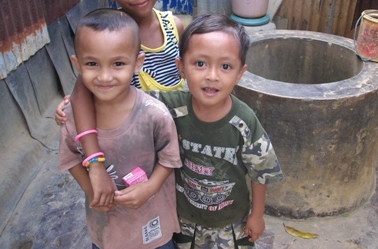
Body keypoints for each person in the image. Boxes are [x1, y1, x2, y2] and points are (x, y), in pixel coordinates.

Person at [57, 14, 284, 248]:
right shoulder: (170, 106)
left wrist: (256, 215)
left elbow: (261, 172)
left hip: (230, 224)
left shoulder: (243, 121)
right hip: (183, 221)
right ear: (181, 67)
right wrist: (74, 102)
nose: (212, 75)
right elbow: (116, 97)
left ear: (240, 72)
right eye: (200, 63)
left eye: (225, 66)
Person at [61, 0, 186, 209]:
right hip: (134, 150)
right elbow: (82, 91)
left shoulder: (175, 27)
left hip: (173, 142)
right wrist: (94, 163)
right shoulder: (104, 41)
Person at [58, 8, 182, 248]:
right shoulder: (72, 119)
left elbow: (170, 156)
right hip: (107, 228)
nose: (105, 76)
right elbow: (70, 157)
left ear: (137, 63)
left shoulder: (153, 113)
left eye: (118, 64)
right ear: (77, 64)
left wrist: (151, 187)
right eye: (92, 63)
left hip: (153, 225)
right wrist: (92, 191)